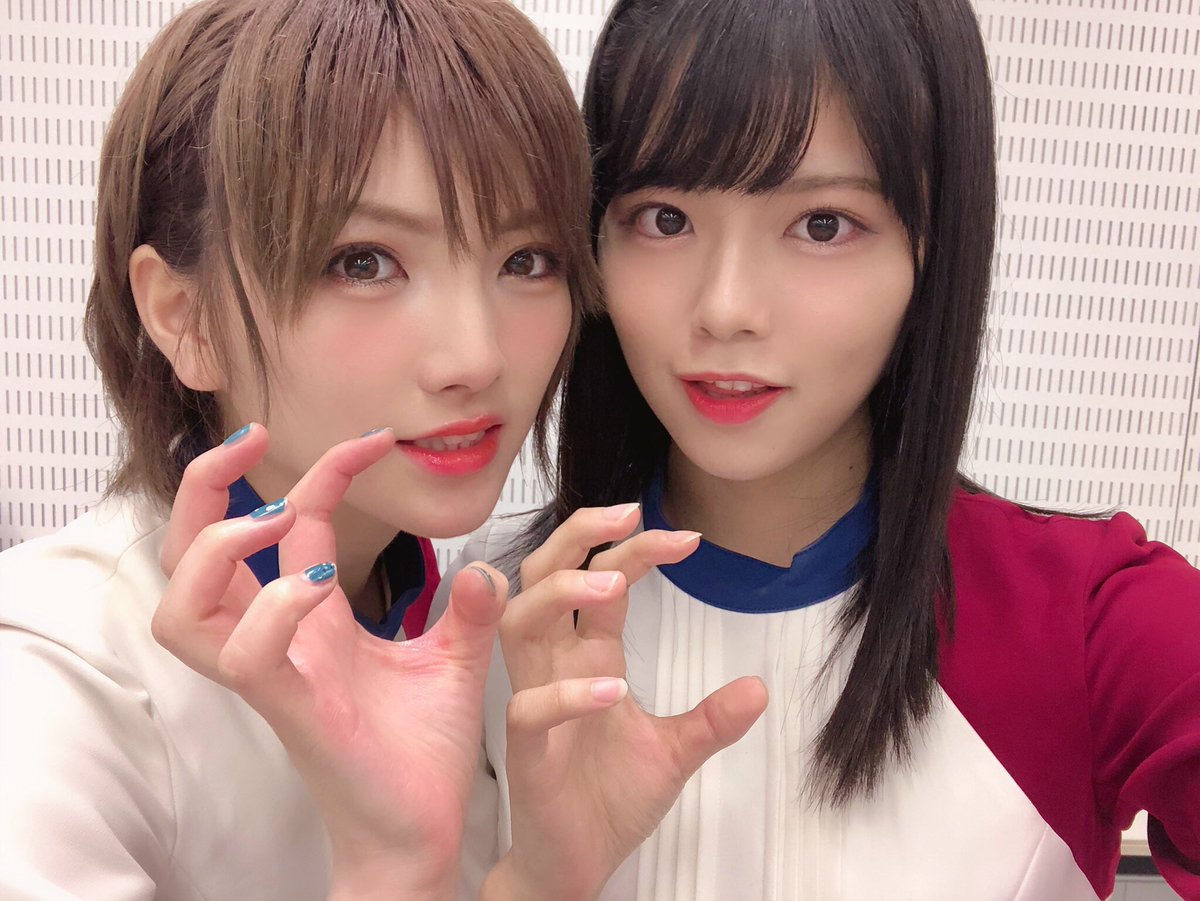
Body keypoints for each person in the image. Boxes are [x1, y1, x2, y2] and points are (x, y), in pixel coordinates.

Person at [441, 0, 1200, 898]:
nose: (726, 308)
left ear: (932, 251)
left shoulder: (1092, 621)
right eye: (665, 218)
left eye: (825, 224)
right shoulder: (496, 616)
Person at [0, 0, 611, 896]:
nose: (477, 357)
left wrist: (547, 877)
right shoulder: (53, 677)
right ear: (185, 316)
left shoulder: (483, 623)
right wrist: (391, 864)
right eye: (363, 262)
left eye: (527, 260)